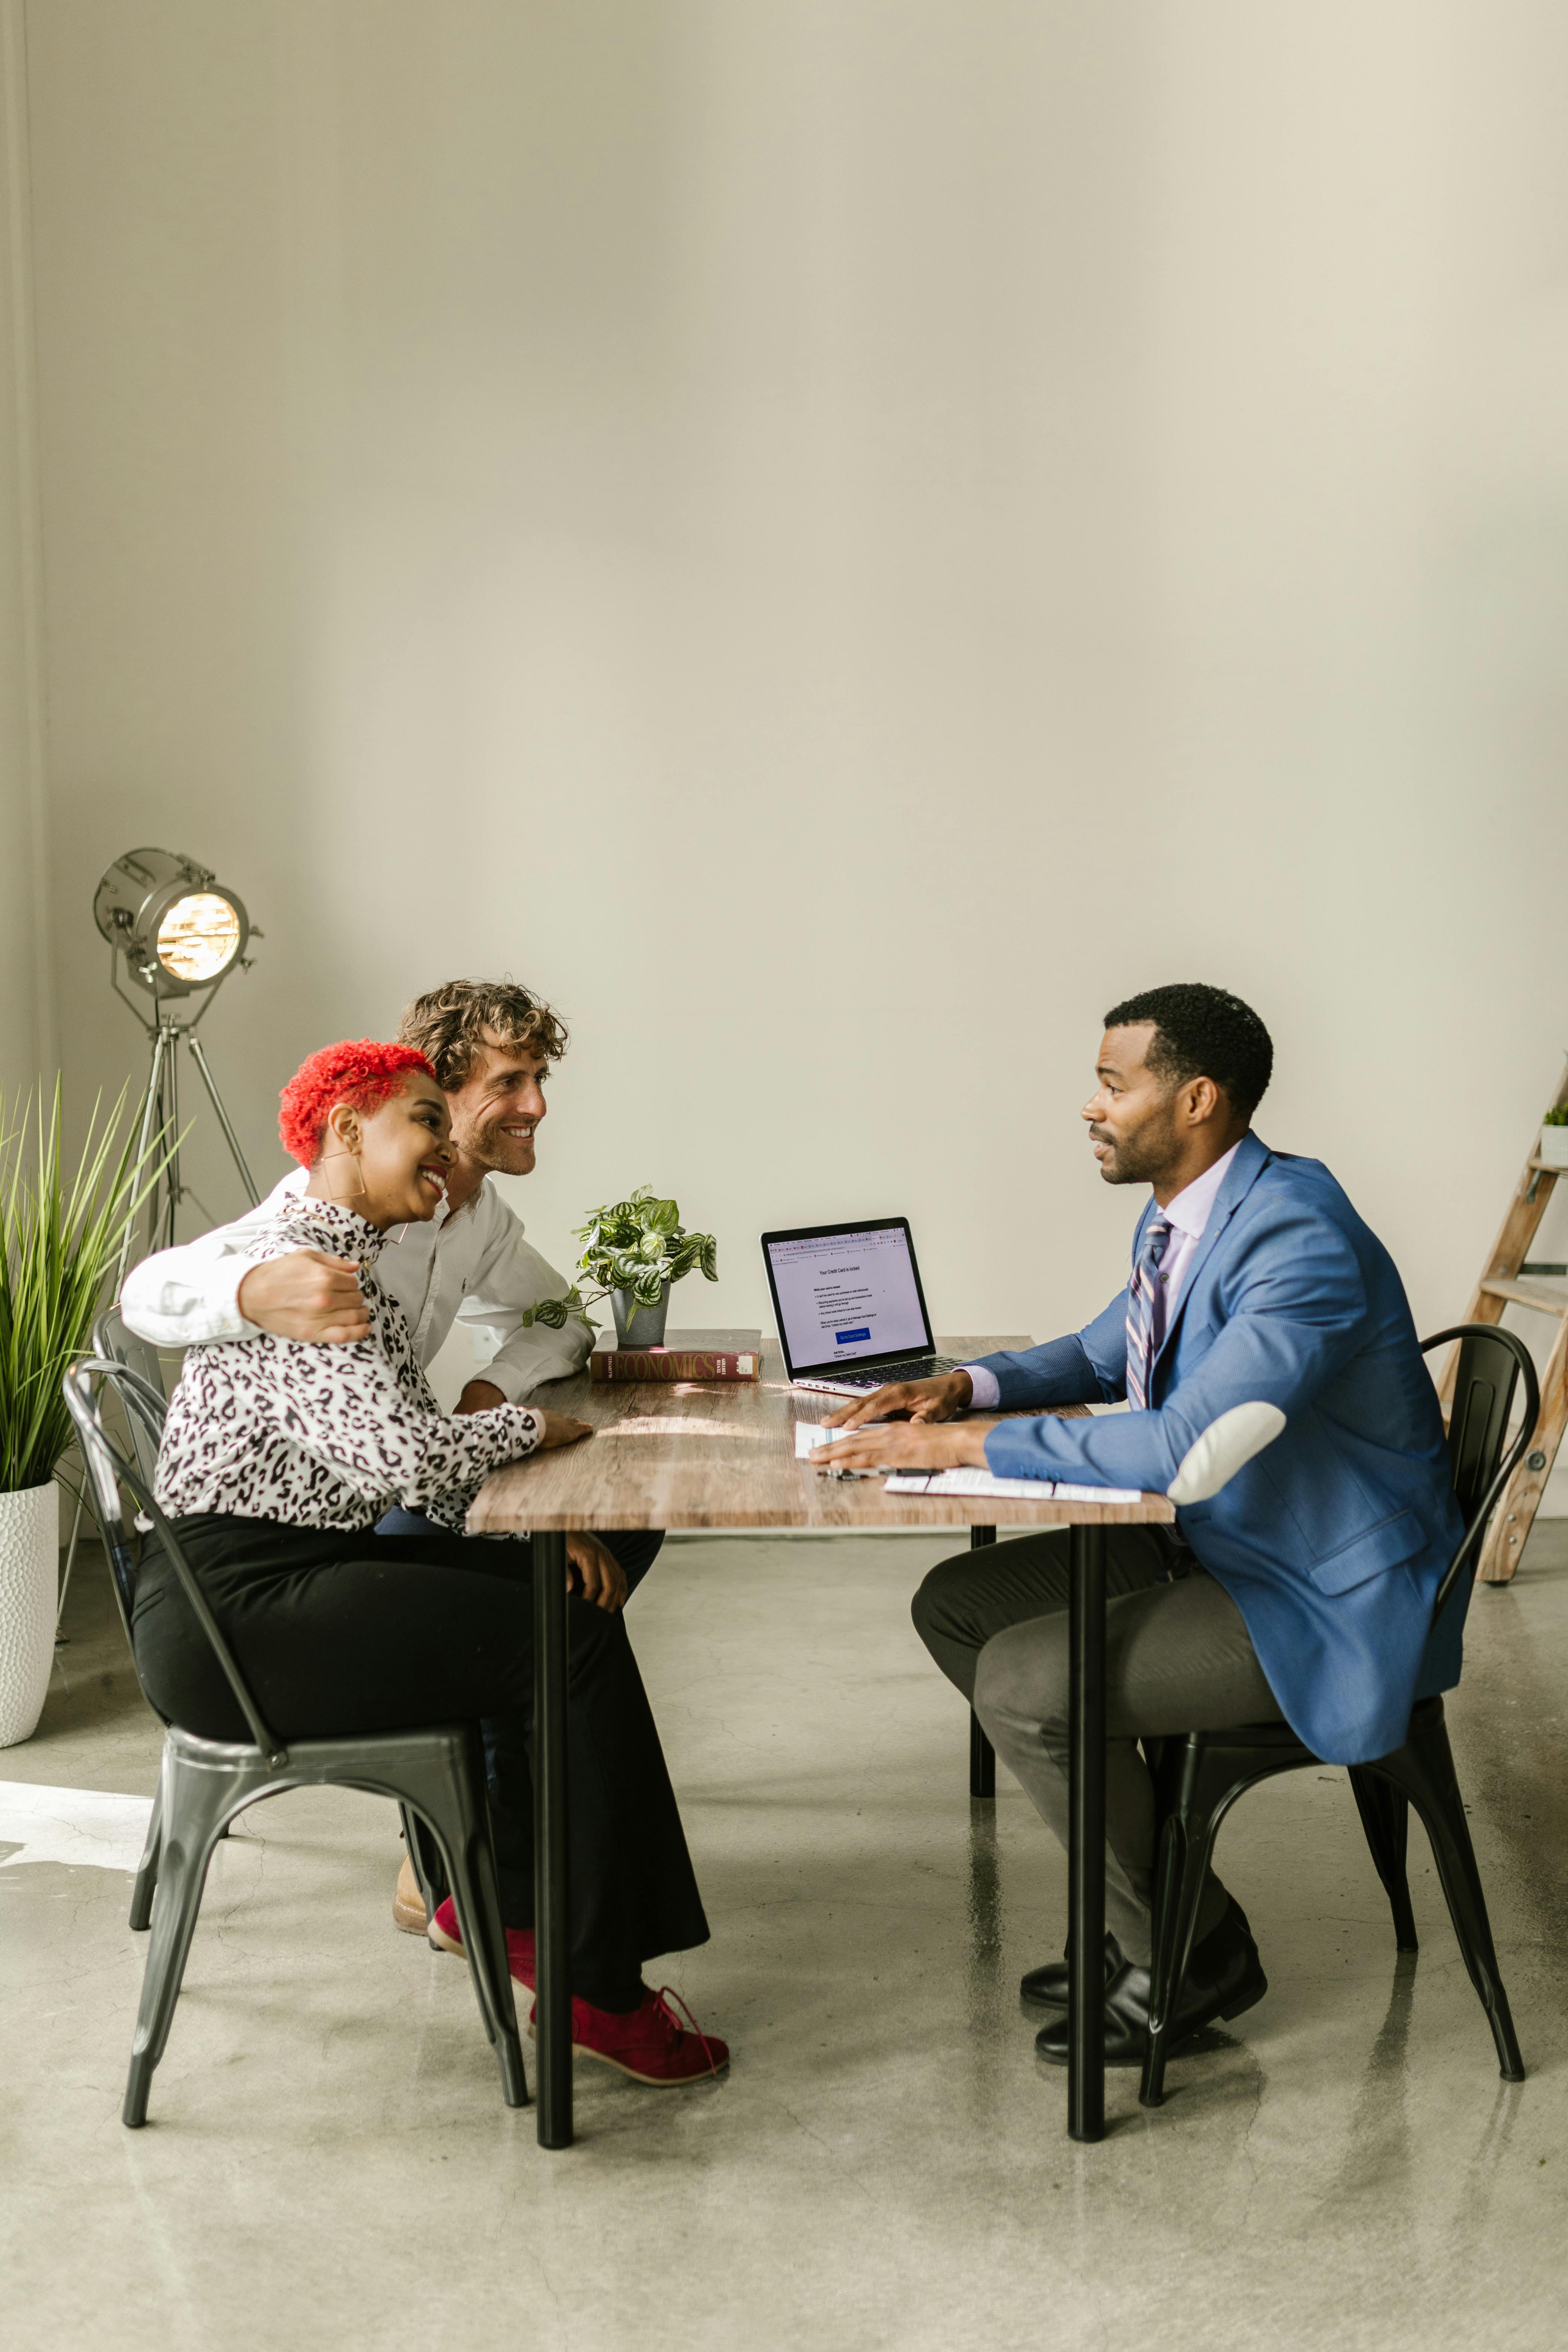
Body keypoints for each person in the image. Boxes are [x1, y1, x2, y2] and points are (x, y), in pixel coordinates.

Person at [818, 983, 1463, 2068]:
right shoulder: (1193, 1211)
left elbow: (1180, 1443)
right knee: (957, 1606)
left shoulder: (1296, 1235)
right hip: (1227, 1538)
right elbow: (1103, 1347)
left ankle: (1186, 1952)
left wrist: (958, 1451)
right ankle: (1162, 1914)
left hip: (1320, 1591)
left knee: (1022, 1685)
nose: (1090, 1106)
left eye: (1112, 1085)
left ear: (1195, 1099)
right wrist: (961, 1389)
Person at [136, 1038, 726, 2086]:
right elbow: (407, 1457)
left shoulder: (353, 1255)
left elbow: (399, 1448)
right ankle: (596, 1986)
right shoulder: (303, 1271)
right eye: (423, 1121)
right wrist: (530, 1431)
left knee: (566, 1599)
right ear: (345, 1130)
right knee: (566, 1640)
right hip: (238, 1616)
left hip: (276, 1579)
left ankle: (514, 1909)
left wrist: (539, 1525)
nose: (446, 1148)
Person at [121, 977, 654, 1936]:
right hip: (255, 1581)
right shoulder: (310, 1247)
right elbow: (148, 1293)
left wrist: (493, 1400)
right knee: (553, 1629)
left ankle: (502, 1873)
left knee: (590, 1564)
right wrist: (248, 1291)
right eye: (509, 1082)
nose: (536, 1105)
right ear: (402, 1108)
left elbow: (557, 1323)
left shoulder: (447, 1223)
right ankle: (480, 1880)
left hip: (331, 1529)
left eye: (539, 1079)